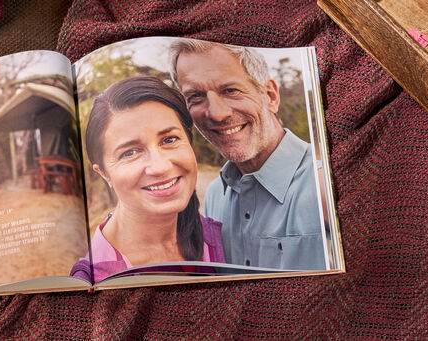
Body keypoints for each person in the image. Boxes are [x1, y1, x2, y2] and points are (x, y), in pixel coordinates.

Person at [170, 40, 325, 270]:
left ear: (270, 96)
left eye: (230, 91)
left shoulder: (324, 181)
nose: (217, 114)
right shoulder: (214, 195)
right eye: (196, 97)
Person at [70, 76, 225, 283]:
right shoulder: (92, 279)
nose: (160, 167)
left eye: (169, 140)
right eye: (130, 152)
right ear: (104, 173)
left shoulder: (220, 238)